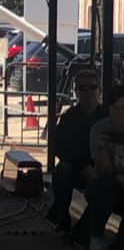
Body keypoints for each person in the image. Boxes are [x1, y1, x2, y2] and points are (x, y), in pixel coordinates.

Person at [85, 84, 124, 250]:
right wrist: (102, 148)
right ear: (109, 109)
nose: (121, 113)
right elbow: (104, 170)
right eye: (116, 108)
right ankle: (96, 240)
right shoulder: (98, 129)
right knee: (104, 185)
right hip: (112, 185)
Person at [48, 69, 106, 229]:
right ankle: (62, 215)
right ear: (75, 92)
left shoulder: (108, 117)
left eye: (93, 87)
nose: (88, 92)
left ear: (99, 90)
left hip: (103, 167)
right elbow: (59, 148)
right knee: (61, 171)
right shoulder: (68, 117)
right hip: (76, 169)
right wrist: (83, 167)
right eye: (82, 88)